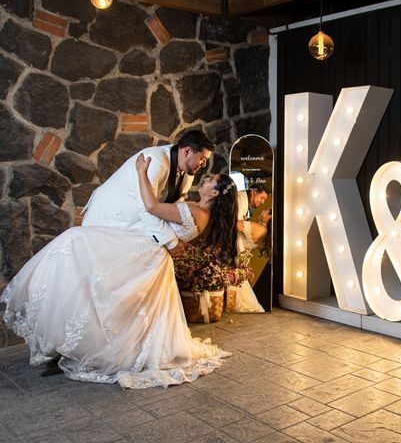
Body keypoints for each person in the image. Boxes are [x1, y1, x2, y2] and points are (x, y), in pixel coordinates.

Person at [0, 152, 239, 389]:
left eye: (211, 180)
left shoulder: (197, 212)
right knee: (119, 298)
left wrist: (141, 173)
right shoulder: (199, 210)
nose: (205, 179)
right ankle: (86, 340)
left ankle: (101, 345)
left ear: (215, 193)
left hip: (145, 250)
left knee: (77, 241)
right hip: (148, 249)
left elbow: (151, 206)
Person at [82, 129, 214, 256]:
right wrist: (171, 242)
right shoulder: (154, 160)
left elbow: (175, 206)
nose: (203, 165)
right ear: (187, 151)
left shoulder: (189, 171)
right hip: (109, 218)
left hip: (137, 227)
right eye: (202, 158)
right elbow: (145, 207)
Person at [229, 183, 271, 313]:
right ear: (253, 192)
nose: (262, 203)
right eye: (262, 198)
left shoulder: (258, 228)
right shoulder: (241, 198)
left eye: (264, 200)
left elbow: (234, 224)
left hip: (234, 250)